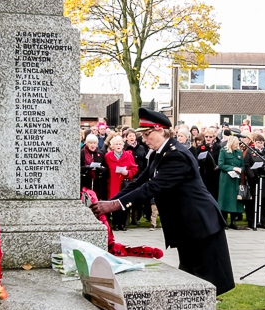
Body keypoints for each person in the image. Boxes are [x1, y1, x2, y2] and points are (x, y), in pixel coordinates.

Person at [90, 108, 235, 296]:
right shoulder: (160, 152)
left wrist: (115, 205)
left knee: (206, 282)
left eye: (148, 133)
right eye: (142, 134)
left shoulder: (176, 155)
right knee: (190, 280)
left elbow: (152, 187)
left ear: (161, 130)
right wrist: (110, 202)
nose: (144, 139)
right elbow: (139, 182)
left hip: (201, 224)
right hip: (187, 226)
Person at [104, 136, 138, 231]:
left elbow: (134, 168)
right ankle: (115, 224)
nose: (118, 146)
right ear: (112, 146)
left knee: (123, 203)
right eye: (116, 144)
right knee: (114, 203)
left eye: (120, 144)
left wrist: (128, 173)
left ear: (123, 145)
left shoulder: (128, 155)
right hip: (113, 184)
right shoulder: (108, 156)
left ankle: (122, 224)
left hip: (124, 183)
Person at [244, 132, 265, 229]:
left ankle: (263, 220)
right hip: (254, 179)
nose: (260, 144)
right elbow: (247, 165)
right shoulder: (250, 151)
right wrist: (252, 175)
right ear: (254, 142)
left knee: (264, 200)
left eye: (261, 142)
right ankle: (252, 221)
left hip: (264, 180)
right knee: (254, 201)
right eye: (258, 142)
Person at [217, 136, 245, 229]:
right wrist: (232, 168)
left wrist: (240, 169)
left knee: (235, 199)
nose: (237, 146)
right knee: (225, 199)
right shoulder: (223, 151)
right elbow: (221, 164)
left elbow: (242, 165)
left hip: (236, 179)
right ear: (231, 143)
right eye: (236, 144)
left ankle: (233, 221)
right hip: (226, 179)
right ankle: (224, 221)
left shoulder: (239, 152)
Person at [80, 134, 107, 200]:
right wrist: (86, 167)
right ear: (87, 143)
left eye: (94, 143)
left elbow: (106, 168)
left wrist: (101, 169)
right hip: (85, 181)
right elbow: (77, 167)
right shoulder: (81, 153)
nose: (93, 145)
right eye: (90, 143)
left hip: (97, 182)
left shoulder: (100, 154)